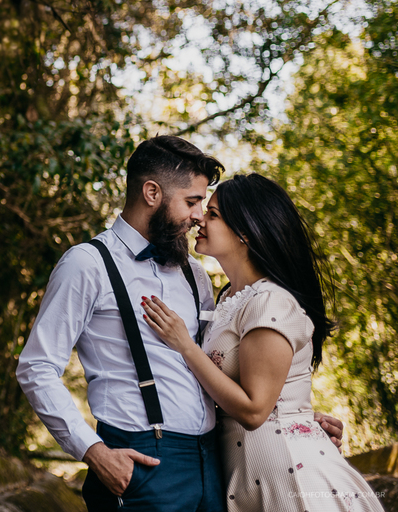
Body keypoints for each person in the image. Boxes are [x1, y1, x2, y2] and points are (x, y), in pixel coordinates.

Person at [17, 136, 344, 512]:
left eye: (203, 205)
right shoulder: (87, 264)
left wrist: (292, 417)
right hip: (143, 464)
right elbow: (37, 366)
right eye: (191, 202)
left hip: (216, 463)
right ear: (152, 193)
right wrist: (93, 451)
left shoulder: (195, 274)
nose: (198, 216)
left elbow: (222, 365)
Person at [142, 174, 381, 511]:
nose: (199, 220)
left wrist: (185, 346)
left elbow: (255, 410)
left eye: (213, 214)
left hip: (292, 482)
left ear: (246, 232)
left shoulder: (269, 301)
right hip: (250, 478)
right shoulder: (228, 298)